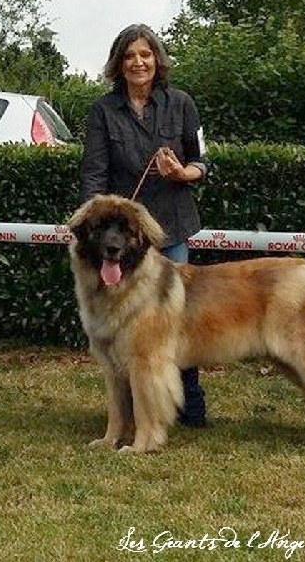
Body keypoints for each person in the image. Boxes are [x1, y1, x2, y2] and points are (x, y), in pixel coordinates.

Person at [79, 23, 207, 428]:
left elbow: (203, 161)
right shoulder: (102, 110)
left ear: (157, 60)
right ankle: (131, 411)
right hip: (120, 237)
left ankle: (188, 405)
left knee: (175, 323)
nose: (138, 62)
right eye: (130, 55)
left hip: (170, 230)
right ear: (119, 63)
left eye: (145, 55)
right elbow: (94, 174)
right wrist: (95, 222)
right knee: (121, 328)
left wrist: (182, 173)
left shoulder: (182, 103)